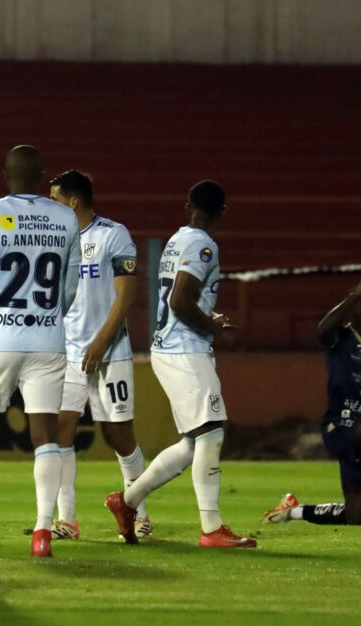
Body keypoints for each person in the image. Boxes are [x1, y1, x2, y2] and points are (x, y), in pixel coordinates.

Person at [105, 180, 256, 548]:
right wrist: (213, 328)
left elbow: (182, 298)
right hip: (183, 349)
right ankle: (212, 529)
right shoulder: (203, 244)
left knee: (193, 443)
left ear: (188, 204)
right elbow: (180, 300)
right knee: (212, 432)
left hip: (170, 348)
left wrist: (209, 320)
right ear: (223, 211)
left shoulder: (177, 239)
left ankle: (126, 501)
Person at [0, 145, 81, 558]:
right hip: (49, 339)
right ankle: (43, 531)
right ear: (42, 175)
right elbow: (69, 284)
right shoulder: (65, 216)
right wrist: (53, 318)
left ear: (5, 173)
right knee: (44, 434)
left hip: (2, 339)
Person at [48, 170, 150, 540]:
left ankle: (140, 512)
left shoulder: (112, 235)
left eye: (55, 199)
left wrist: (102, 341)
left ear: (73, 201)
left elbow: (125, 296)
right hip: (69, 353)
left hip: (110, 353)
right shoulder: (57, 242)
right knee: (61, 431)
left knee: (118, 436)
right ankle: (67, 520)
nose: (51, 206)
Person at [261, 267, 361, 527]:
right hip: (340, 426)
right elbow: (320, 331)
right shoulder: (342, 338)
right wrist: (353, 296)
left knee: (352, 517)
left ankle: (291, 511)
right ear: (354, 312)